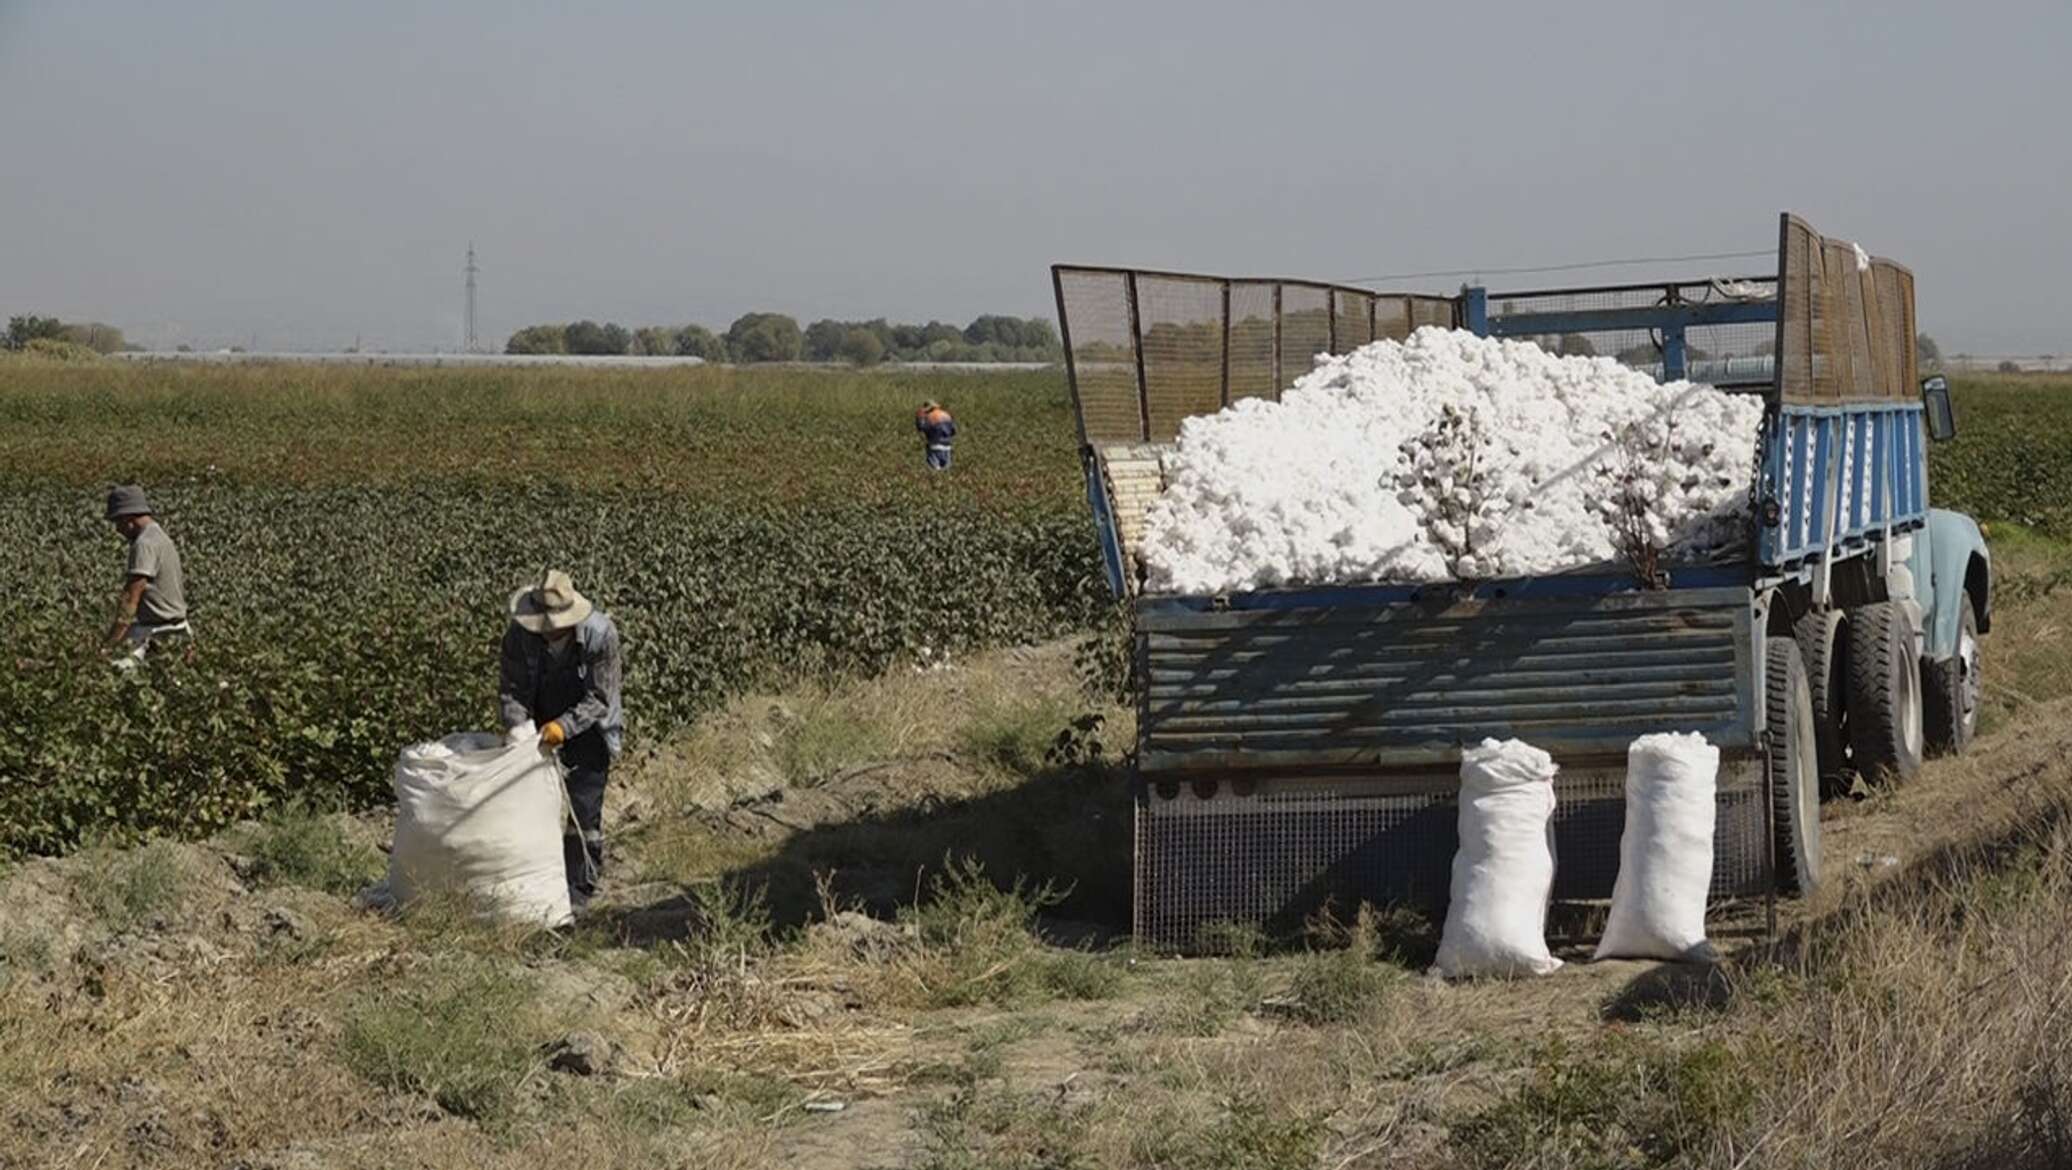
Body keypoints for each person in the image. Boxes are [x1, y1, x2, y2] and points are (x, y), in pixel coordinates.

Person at [498, 569, 624, 908]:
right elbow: (512, 687)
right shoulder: (519, 635)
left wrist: (563, 728)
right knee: (530, 807)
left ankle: (579, 890)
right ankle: (533, 882)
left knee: (583, 811)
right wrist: (516, 724)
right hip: (537, 725)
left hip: (589, 729)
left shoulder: (600, 634)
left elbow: (600, 697)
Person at [103, 485, 190, 662]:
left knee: (115, 670)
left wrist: (109, 644)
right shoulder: (160, 536)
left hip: (157, 632)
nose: (117, 530)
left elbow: (132, 596)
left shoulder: (144, 544)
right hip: (178, 628)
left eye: (118, 523)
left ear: (128, 519)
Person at [915, 399, 957, 471]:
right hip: (947, 446)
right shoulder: (946, 415)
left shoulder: (930, 417)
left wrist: (919, 418)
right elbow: (953, 431)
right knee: (946, 470)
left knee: (935, 469)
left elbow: (921, 428)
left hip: (934, 445)